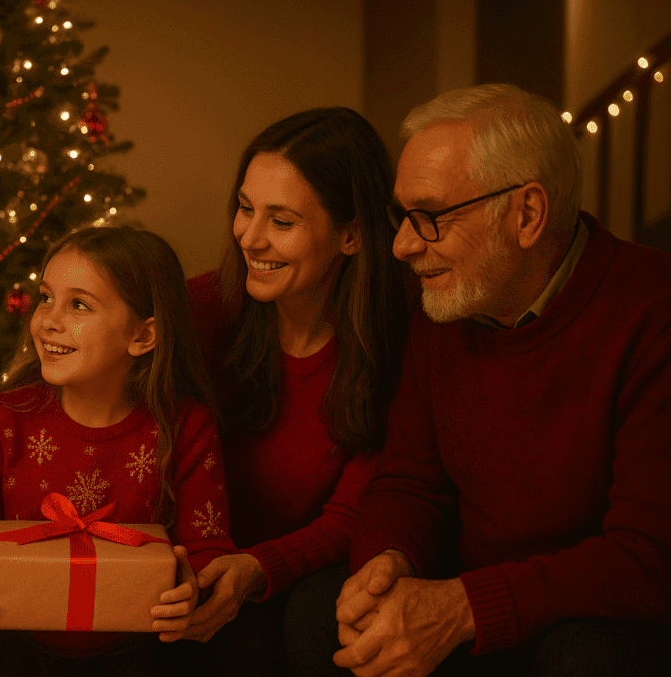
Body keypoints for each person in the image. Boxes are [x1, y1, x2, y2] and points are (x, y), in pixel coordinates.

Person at [285, 84, 671, 677]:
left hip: (596, 614)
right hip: (478, 597)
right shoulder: (445, 306)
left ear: (527, 214)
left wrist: (465, 608)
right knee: (322, 613)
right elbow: (412, 482)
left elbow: (649, 556)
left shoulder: (651, 314)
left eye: (430, 217)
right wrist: (385, 563)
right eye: (400, 215)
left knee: (586, 659)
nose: (402, 245)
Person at [0, 225, 237, 676]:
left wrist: (192, 587)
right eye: (46, 297)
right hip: (11, 644)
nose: (48, 320)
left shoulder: (185, 426)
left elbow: (209, 548)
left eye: (80, 305)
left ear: (144, 336)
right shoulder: (4, 418)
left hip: (140, 651)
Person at [180, 108, 411, 674]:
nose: (249, 238)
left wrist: (257, 569)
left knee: (318, 619)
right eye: (244, 208)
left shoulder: (400, 345)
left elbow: (355, 514)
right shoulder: (204, 311)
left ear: (351, 234)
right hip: (199, 568)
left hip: (310, 577)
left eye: (281, 221)